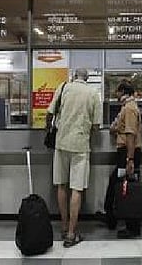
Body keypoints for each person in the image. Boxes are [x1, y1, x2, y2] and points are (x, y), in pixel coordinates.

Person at [46, 68, 101, 248]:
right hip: (80, 146)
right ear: (88, 78)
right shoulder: (93, 94)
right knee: (76, 188)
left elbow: (49, 113)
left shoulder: (63, 87)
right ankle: (71, 234)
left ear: (73, 77)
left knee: (61, 185)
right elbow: (96, 125)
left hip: (61, 143)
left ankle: (63, 227)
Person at [106, 79, 142, 239]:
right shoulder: (127, 107)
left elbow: (130, 134)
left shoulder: (129, 109)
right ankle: (114, 217)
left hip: (127, 153)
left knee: (126, 186)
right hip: (127, 152)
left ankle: (131, 225)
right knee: (121, 184)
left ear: (123, 92)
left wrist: (130, 159)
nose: (115, 94)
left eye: (117, 91)